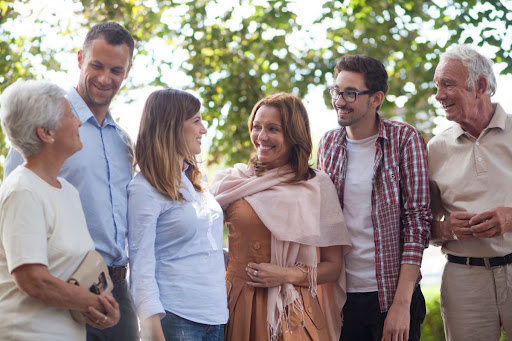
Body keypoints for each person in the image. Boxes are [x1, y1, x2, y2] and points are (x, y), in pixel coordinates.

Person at [3, 22, 139, 340]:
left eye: (116, 69)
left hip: (116, 286)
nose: (105, 78)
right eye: (97, 65)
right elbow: (13, 214)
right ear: (80, 58)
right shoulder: (46, 125)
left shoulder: (124, 142)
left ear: (128, 71)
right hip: (59, 285)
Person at [211, 92, 351, 341]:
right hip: (235, 306)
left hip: (291, 311)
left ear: (293, 135)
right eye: (257, 127)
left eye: (273, 129)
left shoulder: (316, 185)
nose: (262, 137)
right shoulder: (233, 182)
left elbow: (333, 267)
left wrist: (285, 274)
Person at [317, 55, 431, 341]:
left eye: (351, 93)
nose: (340, 100)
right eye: (336, 91)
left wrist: (401, 305)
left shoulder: (405, 139)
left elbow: (417, 225)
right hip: (342, 295)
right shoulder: (328, 144)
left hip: (391, 295)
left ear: (376, 98)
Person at [0, 79, 120, 340]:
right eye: (70, 115)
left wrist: (105, 307)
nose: (79, 122)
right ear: (46, 132)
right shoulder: (22, 190)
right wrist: (95, 303)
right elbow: (33, 280)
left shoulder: (67, 190)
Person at [127, 89, 228, 341]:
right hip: (176, 318)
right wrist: (151, 329)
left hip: (216, 317)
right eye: (196, 121)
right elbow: (141, 266)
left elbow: (205, 249)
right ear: (171, 126)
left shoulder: (194, 183)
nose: (203, 129)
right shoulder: (145, 188)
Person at [428, 45, 512, 340]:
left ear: (481, 86)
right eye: (437, 86)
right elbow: (421, 223)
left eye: (447, 84)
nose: (439, 95)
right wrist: (445, 228)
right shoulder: (434, 149)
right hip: (463, 279)